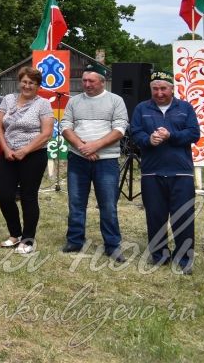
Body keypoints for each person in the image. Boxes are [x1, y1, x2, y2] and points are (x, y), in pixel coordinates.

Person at [129, 70, 200, 274]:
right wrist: (148, 140)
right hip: (152, 172)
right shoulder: (142, 108)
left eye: (163, 88)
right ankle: (159, 255)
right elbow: (135, 133)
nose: (159, 93)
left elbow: (194, 134)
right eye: (155, 89)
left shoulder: (185, 108)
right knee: (155, 215)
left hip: (181, 172)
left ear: (172, 88)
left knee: (183, 216)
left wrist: (171, 135)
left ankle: (184, 258)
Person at [60, 65, 129, 261]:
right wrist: (82, 147)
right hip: (77, 159)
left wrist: (95, 146)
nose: (87, 84)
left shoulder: (116, 101)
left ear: (102, 81)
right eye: (84, 80)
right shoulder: (74, 101)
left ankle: (112, 245)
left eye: (91, 81)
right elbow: (65, 126)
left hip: (106, 161)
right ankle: (74, 240)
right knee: (76, 203)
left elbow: (120, 129)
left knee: (108, 204)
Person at [0, 66, 53, 254]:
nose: (27, 86)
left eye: (32, 83)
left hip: (33, 155)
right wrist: (5, 149)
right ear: (20, 82)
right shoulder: (8, 99)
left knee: (28, 196)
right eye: (25, 82)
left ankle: (27, 240)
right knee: (4, 195)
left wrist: (25, 150)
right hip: (8, 154)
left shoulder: (43, 104)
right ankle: (15, 234)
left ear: (38, 86)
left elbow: (46, 133)